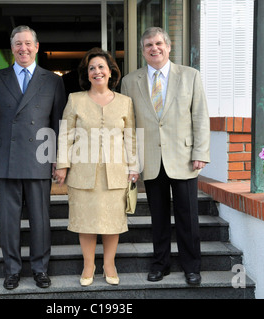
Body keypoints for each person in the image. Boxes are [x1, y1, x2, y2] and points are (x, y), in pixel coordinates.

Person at [120, 27, 210, 285]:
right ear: (143, 50)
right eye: (148, 44)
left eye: (158, 43)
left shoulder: (190, 76)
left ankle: (191, 266)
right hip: (149, 159)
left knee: (188, 216)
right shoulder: (130, 81)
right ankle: (161, 264)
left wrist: (200, 152)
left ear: (168, 47)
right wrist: (132, 161)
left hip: (183, 157)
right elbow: (129, 124)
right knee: (157, 216)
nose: (154, 48)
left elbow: (200, 116)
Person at [0, 25, 66, 290]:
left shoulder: (52, 80)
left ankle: (40, 269)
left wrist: (58, 158)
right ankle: (12, 270)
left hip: (39, 157)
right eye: (18, 44)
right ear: (12, 48)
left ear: (37, 47)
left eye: (28, 43)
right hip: (5, 157)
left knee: (40, 219)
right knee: (8, 220)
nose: (23, 48)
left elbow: (58, 123)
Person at [54, 48, 139, 286]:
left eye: (101, 67)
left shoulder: (125, 102)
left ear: (111, 72)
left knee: (113, 222)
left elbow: (130, 136)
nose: (97, 71)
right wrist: (62, 165)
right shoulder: (75, 99)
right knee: (86, 221)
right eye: (92, 68)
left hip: (115, 172)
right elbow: (65, 135)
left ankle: (109, 264)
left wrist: (134, 166)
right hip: (83, 172)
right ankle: (89, 265)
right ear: (87, 74)